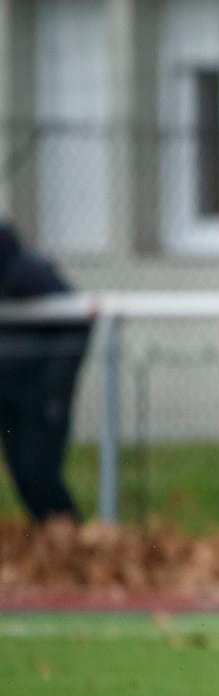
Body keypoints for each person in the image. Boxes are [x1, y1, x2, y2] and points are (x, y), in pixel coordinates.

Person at [0, 223, 88, 523]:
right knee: (23, 477)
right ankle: (51, 540)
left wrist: (53, 383)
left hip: (41, 394)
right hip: (10, 395)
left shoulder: (27, 273)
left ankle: (70, 537)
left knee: (39, 472)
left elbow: (76, 318)